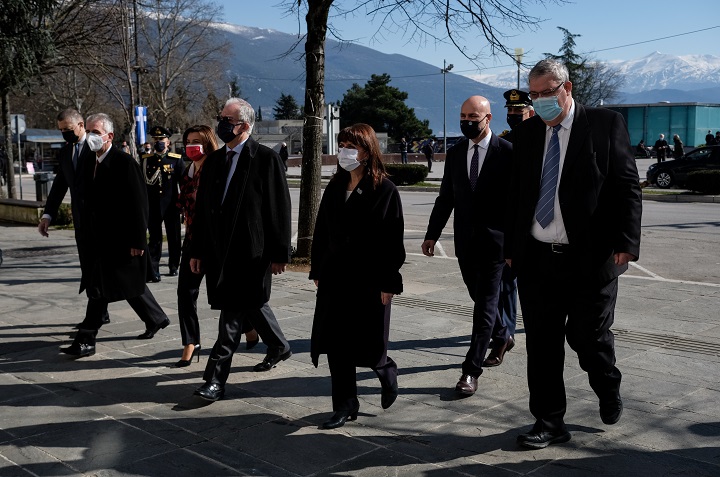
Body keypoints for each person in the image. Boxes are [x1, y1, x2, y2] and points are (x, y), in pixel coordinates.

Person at [505, 59, 642, 449]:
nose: (539, 101)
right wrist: (512, 248)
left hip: (591, 257)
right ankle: (549, 421)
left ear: (566, 89)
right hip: (538, 258)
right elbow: (516, 194)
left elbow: (627, 186)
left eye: (546, 92)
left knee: (587, 337)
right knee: (543, 344)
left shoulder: (604, 124)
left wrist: (627, 242)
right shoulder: (526, 133)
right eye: (534, 94)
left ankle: (607, 383)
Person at [41, 112, 171, 357]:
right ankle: (154, 318)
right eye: (89, 131)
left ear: (109, 136)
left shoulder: (124, 162)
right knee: (112, 284)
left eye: (96, 132)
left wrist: (138, 240)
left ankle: (87, 339)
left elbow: (139, 205)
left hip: (119, 239)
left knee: (102, 287)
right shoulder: (90, 161)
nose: (91, 136)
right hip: (96, 237)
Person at [190, 98, 292, 401]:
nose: (221, 124)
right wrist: (197, 250)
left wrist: (280, 253)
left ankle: (215, 380)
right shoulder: (214, 161)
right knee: (251, 303)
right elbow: (202, 211)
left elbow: (279, 209)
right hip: (219, 252)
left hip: (252, 253)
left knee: (231, 318)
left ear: (244, 126)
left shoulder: (265, 159)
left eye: (227, 119)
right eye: (221, 117)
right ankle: (279, 346)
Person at [310, 123, 405, 429]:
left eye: (351, 146)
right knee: (336, 343)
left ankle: (386, 371)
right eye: (342, 145)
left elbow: (393, 240)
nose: (344, 152)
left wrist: (389, 282)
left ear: (367, 151)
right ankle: (344, 404)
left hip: (370, 278)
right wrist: (317, 269)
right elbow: (322, 230)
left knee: (370, 344)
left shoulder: (385, 190)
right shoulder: (335, 186)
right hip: (335, 278)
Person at [421, 95, 513, 397]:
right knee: (479, 297)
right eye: (463, 117)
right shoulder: (457, 152)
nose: (467, 122)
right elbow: (446, 198)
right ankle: (503, 335)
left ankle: (471, 370)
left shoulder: (507, 153)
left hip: (496, 246)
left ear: (488, 118)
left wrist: (514, 246)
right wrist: (432, 234)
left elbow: (517, 204)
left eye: (473, 116)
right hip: (465, 243)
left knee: (484, 307)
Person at [174, 125, 258, 367]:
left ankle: (249, 327)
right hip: (192, 240)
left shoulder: (217, 166)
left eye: (197, 141)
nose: (191, 146)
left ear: (208, 143)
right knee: (185, 292)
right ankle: (191, 341)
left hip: (215, 242)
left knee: (225, 295)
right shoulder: (188, 169)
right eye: (188, 141)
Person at [493, 89, 535, 348]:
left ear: (530, 111)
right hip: (510, 221)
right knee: (507, 280)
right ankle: (505, 332)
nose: (512, 115)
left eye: (518, 111)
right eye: (509, 110)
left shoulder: (543, 137)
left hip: (538, 221)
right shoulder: (504, 142)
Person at [143, 126, 184, 282]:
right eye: (156, 139)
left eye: (161, 139)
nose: (158, 142)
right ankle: (154, 269)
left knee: (174, 237)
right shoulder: (146, 159)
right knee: (155, 238)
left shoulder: (176, 159)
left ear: (168, 141)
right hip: (153, 205)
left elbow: (183, 184)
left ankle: (174, 265)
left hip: (171, 205)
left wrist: (183, 204)